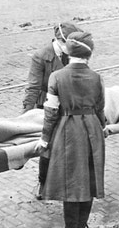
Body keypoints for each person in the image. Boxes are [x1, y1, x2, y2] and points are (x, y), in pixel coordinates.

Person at [34, 31, 105, 228]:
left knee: (71, 182)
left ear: (68, 51)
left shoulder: (57, 77)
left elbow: (51, 112)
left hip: (68, 132)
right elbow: (100, 108)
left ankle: (72, 225)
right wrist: (104, 127)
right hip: (92, 131)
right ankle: (82, 224)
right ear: (89, 54)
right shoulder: (97, 78)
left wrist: (45, 138)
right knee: (89, 180)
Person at [23, 22, 83, 199]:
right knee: (47, 146)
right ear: (59, 41)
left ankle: (66, 181)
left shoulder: (74, 53)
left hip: (69, 104)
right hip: (47, 105)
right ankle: (43, 183)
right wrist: (26, 114)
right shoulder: (41, 56)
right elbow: (33, 87)